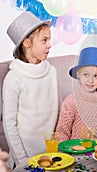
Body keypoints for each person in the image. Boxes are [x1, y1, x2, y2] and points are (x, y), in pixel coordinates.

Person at [2, 12, 58, 167]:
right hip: (24, 156)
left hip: (51, 152)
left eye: (49, 40)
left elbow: (56, 110)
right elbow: (9, 124)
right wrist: (21, 159)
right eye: (44, 40)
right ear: (27, 43)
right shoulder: (14, 78)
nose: (49, 45)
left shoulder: (51, 72)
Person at [55, 47, 97, 142]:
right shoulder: (71, 102)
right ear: (78, 74)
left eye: (96, 76)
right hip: (78, 150)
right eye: (86, 74)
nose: (90, 80)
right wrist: (64, 153)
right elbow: (62, 132)